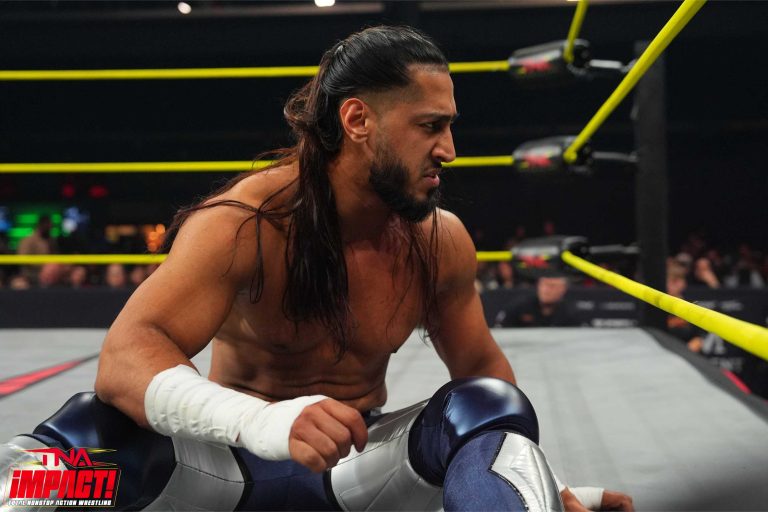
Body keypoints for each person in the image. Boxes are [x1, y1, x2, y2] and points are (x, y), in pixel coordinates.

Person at [0, 26, 632, 512]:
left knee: (486, 403)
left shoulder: (438, 240)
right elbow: (124, 359)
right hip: (222, 470)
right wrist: (263, 422)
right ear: (357, 120)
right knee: (89, 430)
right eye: (430, 126)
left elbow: (483, 379)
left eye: (449, 127)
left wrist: (537, 483)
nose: (449, 149)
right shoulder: (245, 224)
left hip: (359, 475)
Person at [495, 276, 579, 328]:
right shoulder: (519, 307)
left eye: (551, 286)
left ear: (563, 289)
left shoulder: (571, 312)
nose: (545, 290)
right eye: (542, 285)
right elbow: (501, 329)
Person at [17, 214, 57, 285]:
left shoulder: (51, 240)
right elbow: (22, 258)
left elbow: (55, 256)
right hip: (31, 274)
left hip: (51, 274)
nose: (49, 229)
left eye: (50, 227)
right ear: (40, 225)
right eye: (47, 226)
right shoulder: (28, 240)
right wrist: (44, 265)